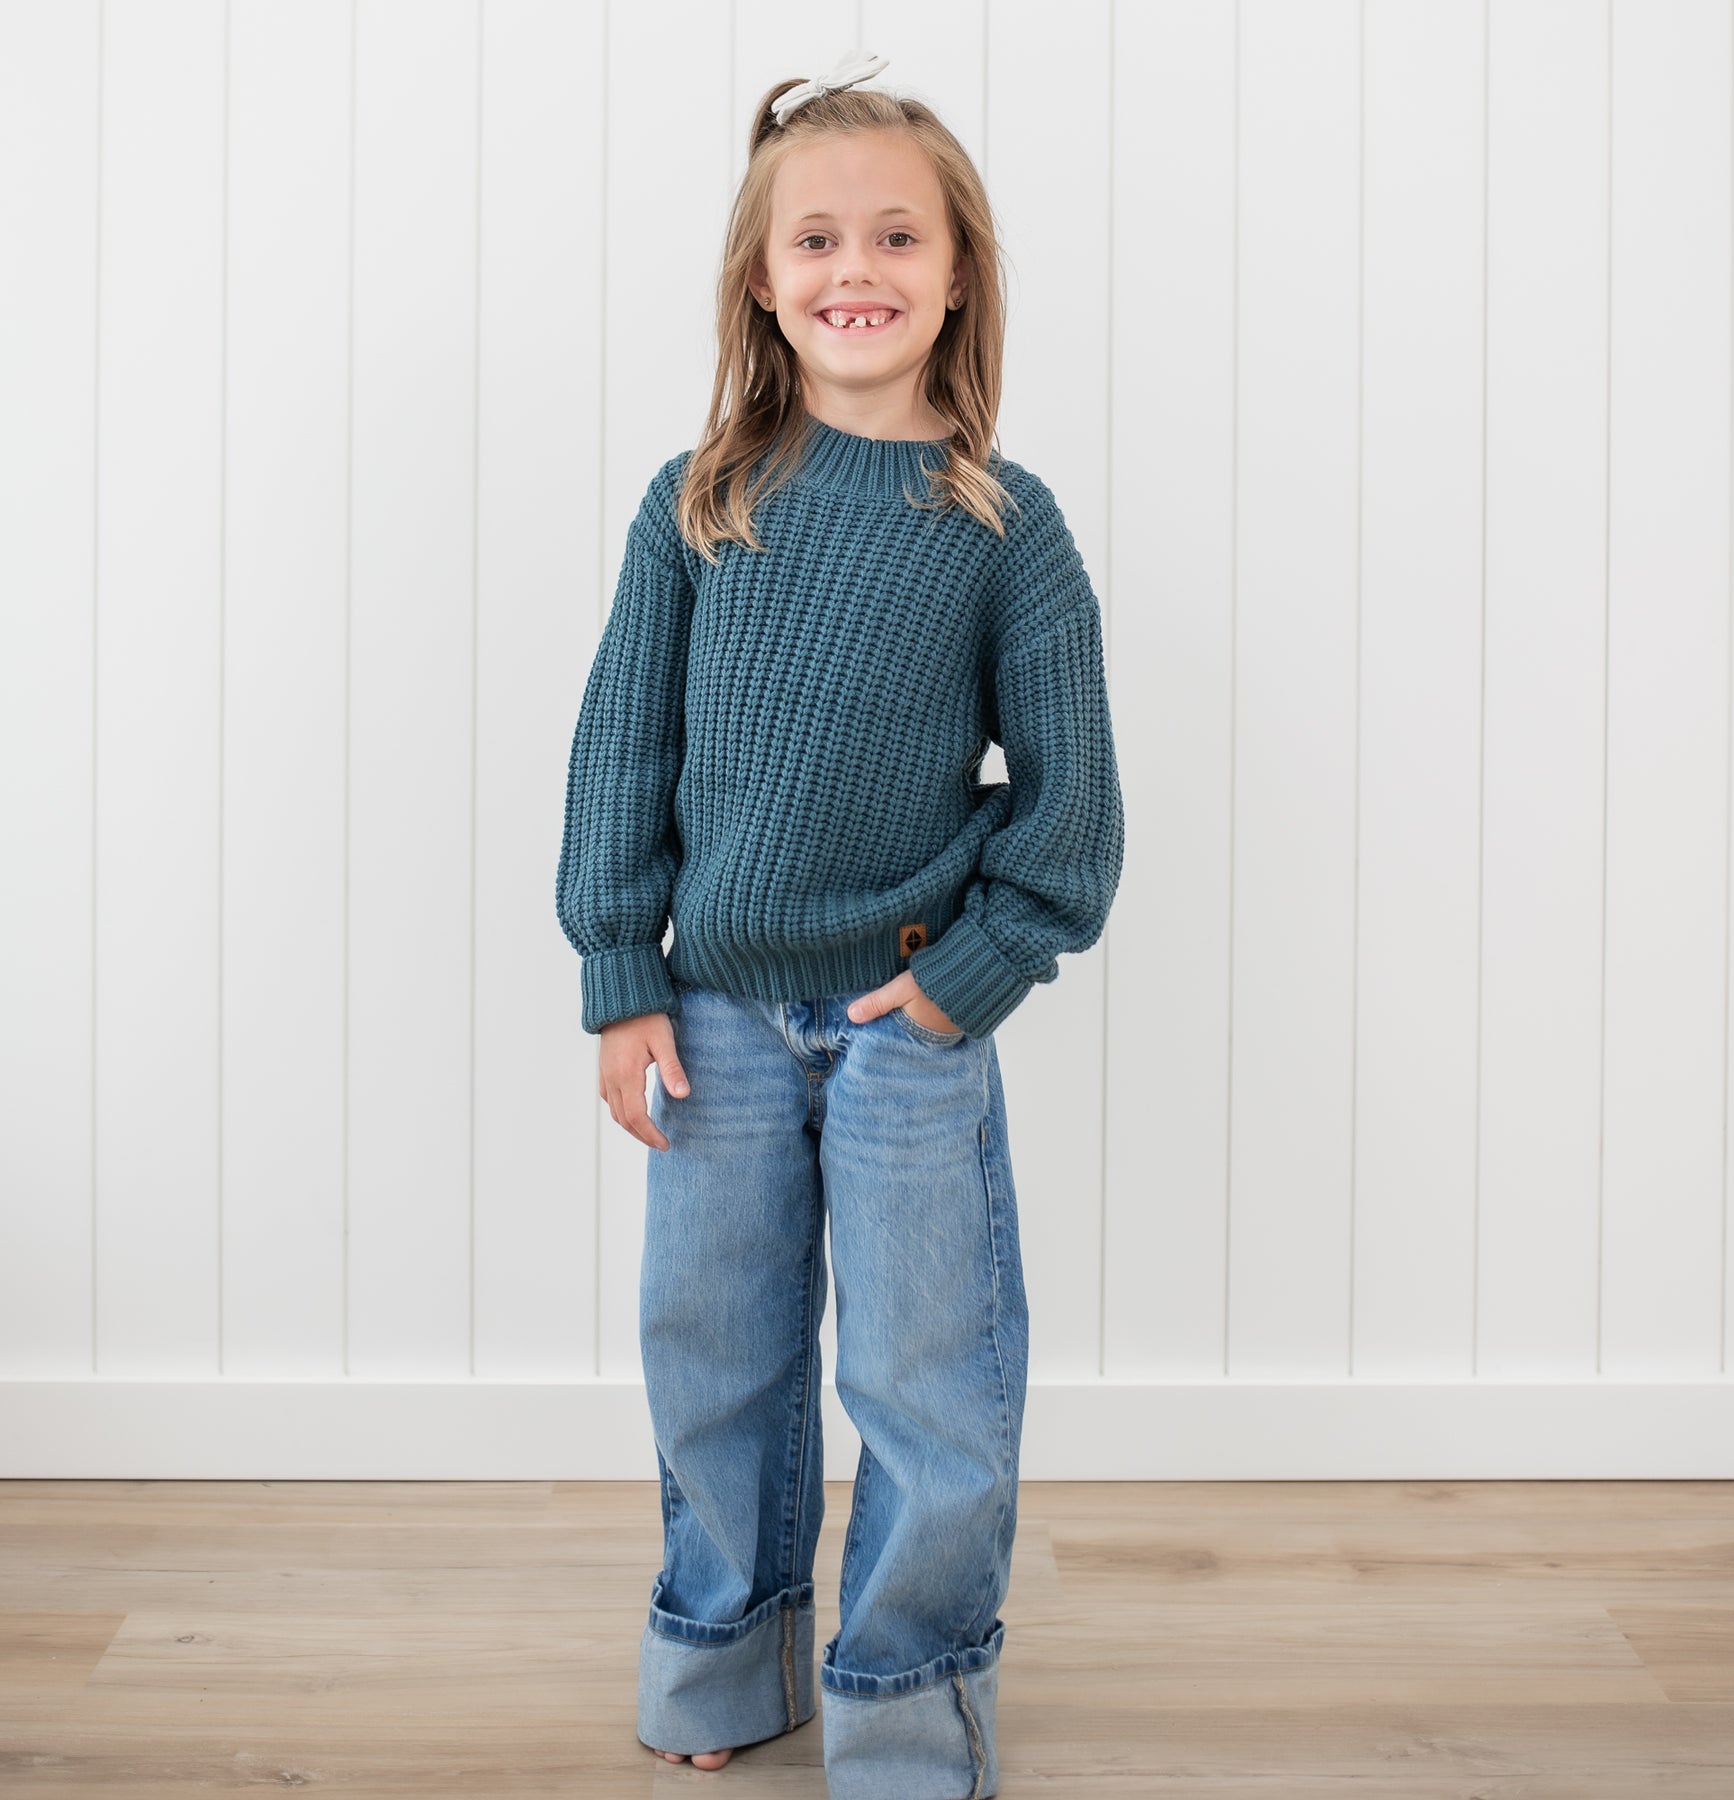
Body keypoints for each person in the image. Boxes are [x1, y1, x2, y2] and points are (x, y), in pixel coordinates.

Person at [554, 47, 1125, 1800]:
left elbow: (1074, 811)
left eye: (897, 237)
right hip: (715, 1014)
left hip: (905, 1025)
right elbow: (620, 753)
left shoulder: (1001, 530)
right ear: (761, 276)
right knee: (711, 1352)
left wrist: (967, 981)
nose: (854, 270)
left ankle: (908, 1697)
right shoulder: (697, 506)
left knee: (923, 1379)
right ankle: (725, 1657)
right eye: (817, 239)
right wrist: (620, 976)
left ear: (957, 275)